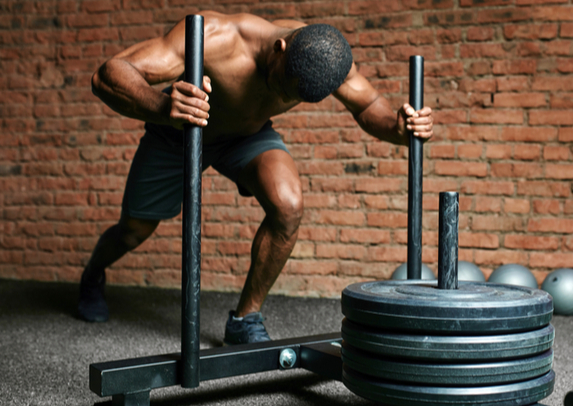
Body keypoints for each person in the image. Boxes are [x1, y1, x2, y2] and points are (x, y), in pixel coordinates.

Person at [79, 11, 434, 345]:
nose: (281, 97)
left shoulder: (327, 56)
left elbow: (368, 105)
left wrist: (398, 128)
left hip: (246, 136)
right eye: (282, 85)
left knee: (288, 205)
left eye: (291, 98)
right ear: (281, 48)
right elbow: (109, 74)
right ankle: (93, 274)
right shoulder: (215, 38)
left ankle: (244, 319)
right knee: (133, 231)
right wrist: (162, 107)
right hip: (178, 131)